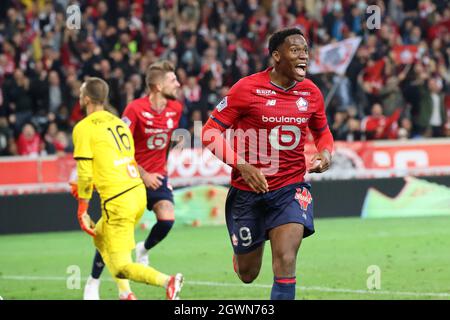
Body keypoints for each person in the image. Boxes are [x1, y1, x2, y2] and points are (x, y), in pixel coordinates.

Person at [201, 28, 334, 300]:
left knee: (285, 259)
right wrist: (242, 166)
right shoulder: (246, 88)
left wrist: (326, 154)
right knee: (248, 274)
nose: (303, 56)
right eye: (295, 50)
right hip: (247, 192)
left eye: (305, 51)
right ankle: (241, 256)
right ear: (276, 56)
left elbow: (322, 133)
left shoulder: (311, 93)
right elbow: (209, 132)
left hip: (291, 189)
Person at [72, 77, 183, 300]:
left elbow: (84, 172)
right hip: (137, 193)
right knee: (100, 236)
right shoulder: (117, 123)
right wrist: (95, 183)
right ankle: (124, 293)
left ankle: (167, 281)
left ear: (85, 99)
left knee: (121, 266)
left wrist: (82, 207)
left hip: (118, 201)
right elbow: (119, 160)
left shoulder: (83, 128)